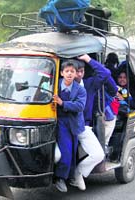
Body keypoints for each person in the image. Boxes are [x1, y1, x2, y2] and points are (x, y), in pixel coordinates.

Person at [70, 54, 117, 191]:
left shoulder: (90, 84)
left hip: (84, 127)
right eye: (75, 71)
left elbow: (105, 73)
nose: (78, 74)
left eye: (81, 71)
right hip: (66, 126)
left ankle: (77, 173)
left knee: (98, 154)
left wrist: (88, 59)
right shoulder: (63, 84)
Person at [53, 59, 87, 193]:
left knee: (73, 152)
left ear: (76, 74)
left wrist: (62, 103)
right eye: (67, 71)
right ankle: (59, 178)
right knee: (65, 152)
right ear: (61, 73)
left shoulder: (80, 90)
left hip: (73, 124)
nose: (69, 74)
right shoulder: (55, 86)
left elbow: (80, 106)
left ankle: (71, 177)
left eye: (72, 71)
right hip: (60, 122)